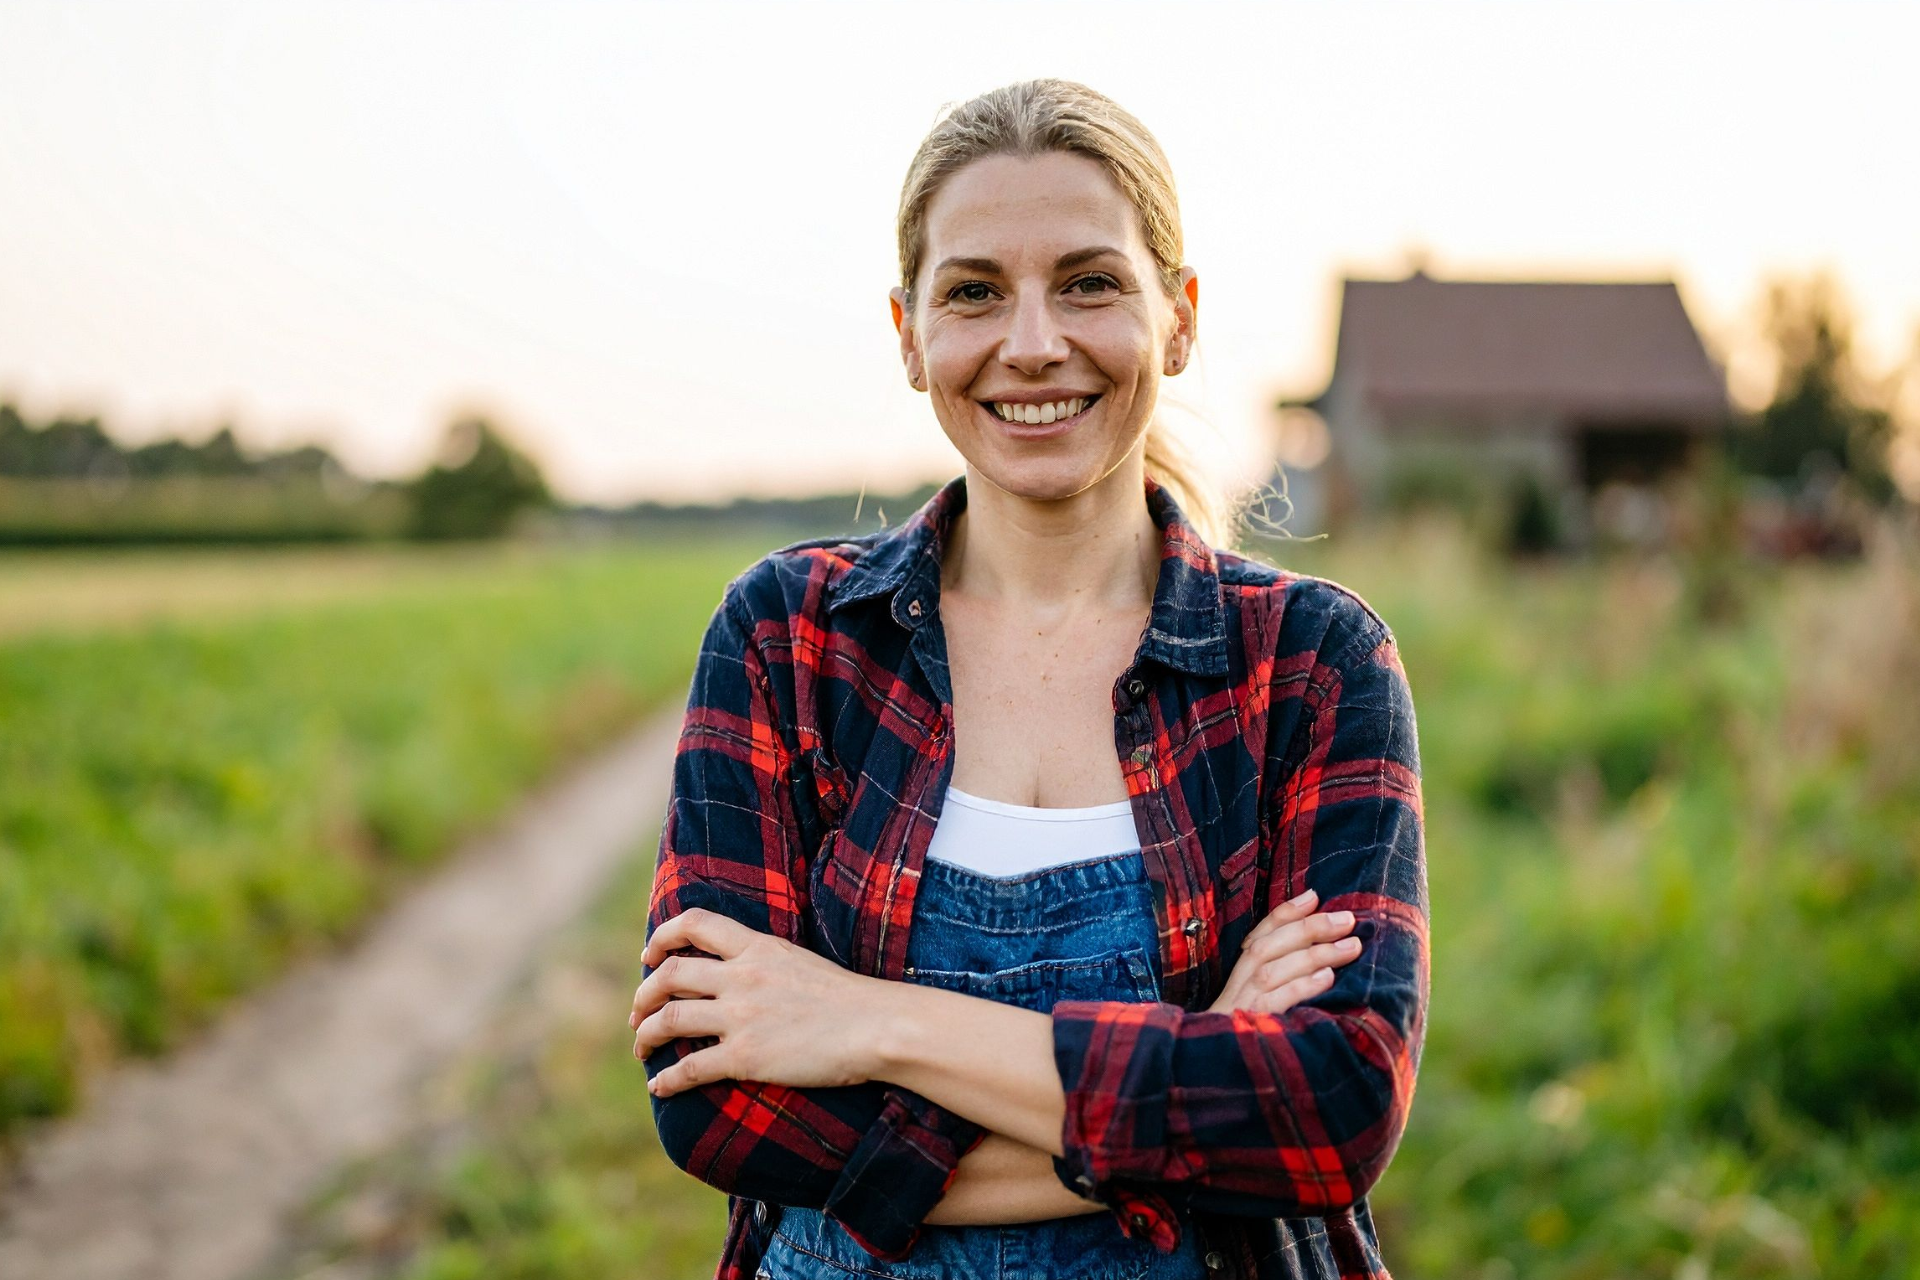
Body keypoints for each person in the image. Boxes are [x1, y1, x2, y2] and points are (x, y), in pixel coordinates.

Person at [630, 78, 1428, 1280]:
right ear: (910, 333)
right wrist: (1202, 1058)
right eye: (974, 293)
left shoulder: (1309, 662)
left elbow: (1333, 1110)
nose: (1035, 341)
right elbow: (717, 1100)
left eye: (1090, 281)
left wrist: (868, 1024)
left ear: (1180, 317)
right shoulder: (792, 637)